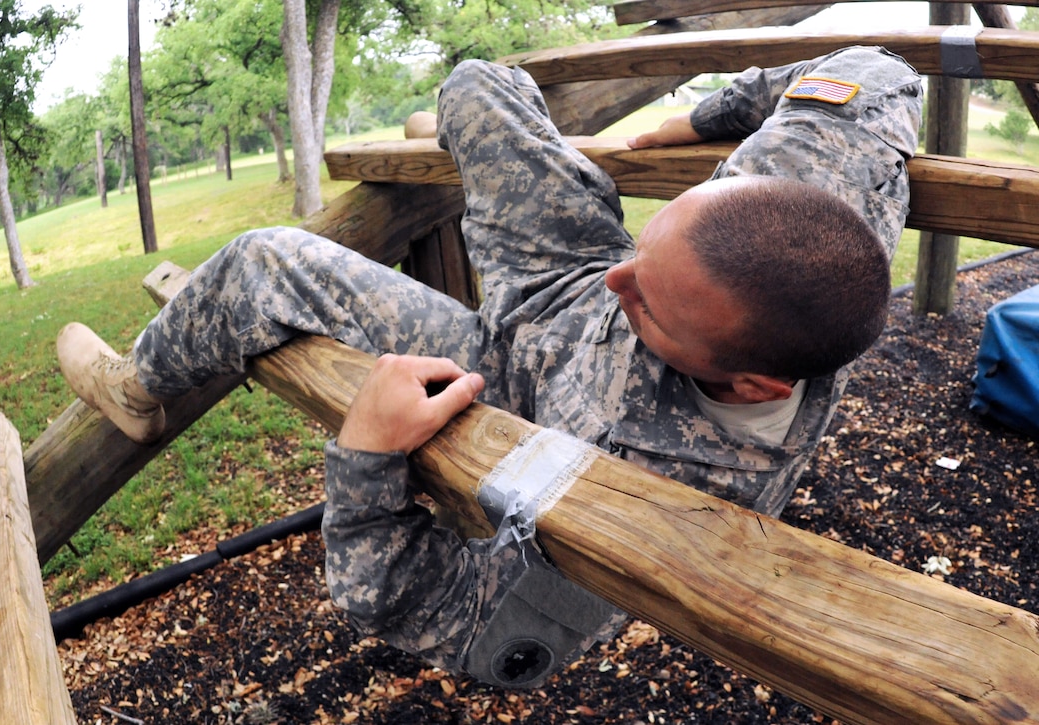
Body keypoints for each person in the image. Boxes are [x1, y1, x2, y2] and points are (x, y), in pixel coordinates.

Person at [57, 46, 922, 687]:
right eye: (654, 245)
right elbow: (876, 69)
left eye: (648, 302)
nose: (628, 277)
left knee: (262, 263)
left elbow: (453, 625)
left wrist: (365, 456)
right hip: (561, 278)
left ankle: (135, 389)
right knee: (480, 87)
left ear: (754, 388)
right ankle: (524, 156)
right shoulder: (820, 175)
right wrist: (689, 126)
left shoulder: (651, 493)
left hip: (515, 396)